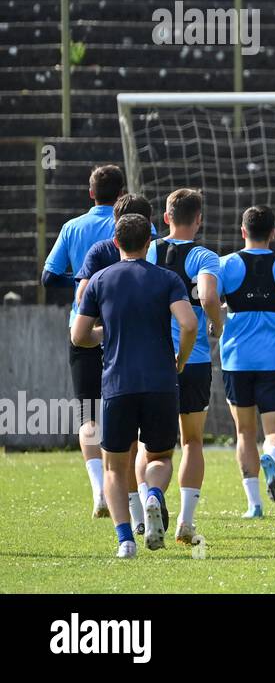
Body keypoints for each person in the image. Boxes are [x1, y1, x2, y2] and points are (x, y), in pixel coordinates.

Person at [71, 214, 197, 558]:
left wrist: (104, 334)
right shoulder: (167, 279)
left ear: (116, 243)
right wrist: (181, 359)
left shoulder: (100, 280)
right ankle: (153, 494)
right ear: (148, 244)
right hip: (160, 382)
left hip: (117, 384)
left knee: (115, 466)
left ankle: (125, 540)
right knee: (159, 456)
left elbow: (79, 335)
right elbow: (188, 324)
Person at [44, 164, 126, 518]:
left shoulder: (72, 227)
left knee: (88, 412)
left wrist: (82, 282)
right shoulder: (134, 225)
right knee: (123, 409)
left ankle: (99, 490)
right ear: (122, 193)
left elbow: (48, 276)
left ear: (91, 193)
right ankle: (122, 488)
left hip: (83, 326)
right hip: (125, 328)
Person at [74, 192, 157, 534]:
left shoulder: (99, 252)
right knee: (143, 442)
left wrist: (104, 325)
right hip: (147, 353)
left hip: (105, 345)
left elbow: (82, 296)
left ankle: (112, 503)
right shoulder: (155, 255)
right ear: (148, 228)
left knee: (98, 423)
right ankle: (141, 510)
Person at [145, 188, 223, 545]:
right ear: (199, 219)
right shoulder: (204, 256)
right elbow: (207, 297)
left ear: (166, 218)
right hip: (194, 359)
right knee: (191, 441)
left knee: (152, 446)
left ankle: (145, 505)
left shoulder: (149, 250)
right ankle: (185, 524)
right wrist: (216, 324)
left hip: (151, 359)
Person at [217, 205, 275, 519]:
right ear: (273, 234)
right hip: (274, 359)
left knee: (244, 432)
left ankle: (254, 504)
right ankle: (270, 456)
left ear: (242, 231)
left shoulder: (226, 265)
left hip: (236, 359)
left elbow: (209, 299)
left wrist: (216, 320)